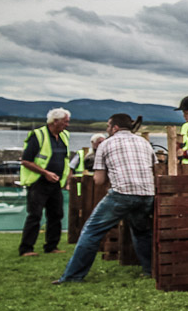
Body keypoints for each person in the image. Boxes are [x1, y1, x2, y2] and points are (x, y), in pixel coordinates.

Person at [53, 113, 156, 283]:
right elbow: (152, 169)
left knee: (91, 231)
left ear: (115, 127)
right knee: (141, 231)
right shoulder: (144, 143)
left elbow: (99, 180)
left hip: (122, 194)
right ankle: (149, 270)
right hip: (147, 194)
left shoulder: (106, 144)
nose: (107, 130)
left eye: (108, 126)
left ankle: (73, 276)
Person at [18, 107, 72, 257]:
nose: (67, 125)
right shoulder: (38, 135)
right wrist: (45, 173)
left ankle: (52, 246)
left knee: (56, 214)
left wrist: (65, 179)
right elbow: (26, 161)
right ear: (55, 121)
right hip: (38, 182)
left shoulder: (65, 136)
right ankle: (26, 249)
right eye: (65, 122)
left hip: (56, 183)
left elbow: (65, 160)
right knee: (35, 215)